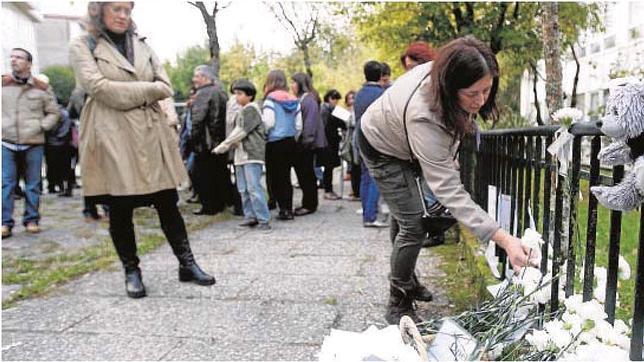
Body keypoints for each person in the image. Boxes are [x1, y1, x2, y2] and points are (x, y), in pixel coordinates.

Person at [359, 36, 535, 324]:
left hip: (403, 137)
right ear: (450, 87)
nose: (480, 101)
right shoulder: (424, 115)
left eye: (487, 90)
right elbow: (451, 192)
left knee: (406, 216)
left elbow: (446, 142)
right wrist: (504, 239)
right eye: (472, 94)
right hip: (381, 146)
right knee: (414, 224)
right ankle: (398, 298)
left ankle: (406, 276)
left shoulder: (445, 80)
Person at [69, 1, 215, 298]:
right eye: (117, 9)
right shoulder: (83, 43)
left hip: (150, 134)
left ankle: (187, 264)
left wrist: (139, 91)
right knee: (120, 206)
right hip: (113, 135)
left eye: (127, 10)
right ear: (99, 9)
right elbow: (98, 87)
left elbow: (166, 85)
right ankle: (131, 270)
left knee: (167, 201)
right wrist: (148, 92)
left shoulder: (142, 44)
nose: (123, 15)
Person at [2, 48, 60, 238]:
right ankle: (5, 223)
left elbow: (54, 112)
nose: (13, 60)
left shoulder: (41, 87)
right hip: (7, 141)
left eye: (18, 57)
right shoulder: (3, 84)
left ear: (29, 63)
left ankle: (32, 219)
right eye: (12, 57)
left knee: (33, 184)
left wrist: (41, 126)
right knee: (6, 183)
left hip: (33, 142)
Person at [213, 80, 271, 231]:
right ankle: (250, 216)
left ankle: (263, 219)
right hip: (241, 155)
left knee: (253, 188)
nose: (236, 97)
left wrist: (224, 145)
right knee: (243, 188)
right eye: (235, 93)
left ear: (250, 95)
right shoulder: (243, 110)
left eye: (239, 94)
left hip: (251, 154)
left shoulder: (251, 110)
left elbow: (240, 132)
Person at [190, 64, 240, 215]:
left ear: (205, 78)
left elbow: (198, 120)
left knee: (203, 175)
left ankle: (210, 206)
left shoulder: (202, 94)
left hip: (206, 142)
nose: (194, 80)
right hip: (220, 141)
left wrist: (193, 139)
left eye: (197, 76)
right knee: (219, 173)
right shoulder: (221, 92)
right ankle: (225, 201)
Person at [262, 70, 302, 220]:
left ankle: (282, 209)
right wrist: (293, 136)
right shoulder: (294, 99)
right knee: (286, 177)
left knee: (275, 177)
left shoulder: (270, 101)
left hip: (274, 142)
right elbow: (299, 125)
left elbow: (269, 122)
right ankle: (289, 208)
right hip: (290, 140)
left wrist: (265, 134)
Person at [354, 61, 388, 228]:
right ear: (380, 74)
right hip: (376, 139)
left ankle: (366, 212)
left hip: (359, 138)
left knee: (365, 176)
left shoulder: (359, 94)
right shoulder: (383, 94)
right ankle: (371, 215)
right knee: (376, 177)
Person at [291, 72, 327, 216]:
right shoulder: (303, 99)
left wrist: (306, 141)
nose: (291, 86)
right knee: (304, 174)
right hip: (306, 142)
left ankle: (309, 204)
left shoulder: (309, 100)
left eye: (294, 83)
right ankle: (308, 202)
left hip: (307, 144)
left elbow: (310, 123)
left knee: (307, 174)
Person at [318, 89, 347, 200]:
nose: (335, 102)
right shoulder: (325, 110)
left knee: (329, 167)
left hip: (331, 142)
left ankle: (329, 189)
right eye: (334, 99)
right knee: (328, 167)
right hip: (327, 143)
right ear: (329, 98)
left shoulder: (331, 110)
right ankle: (328, 190)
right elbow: (326, 128)